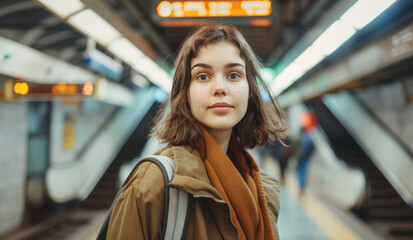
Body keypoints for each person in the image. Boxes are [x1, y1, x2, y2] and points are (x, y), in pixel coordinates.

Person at [106, 24, 288, 239]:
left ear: (250, 90)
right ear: (186, 93)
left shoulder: (261, 190)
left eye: (233, 75)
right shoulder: (153, 184)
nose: (220, 87)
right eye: (202, 76)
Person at [294, 113, 316, 197]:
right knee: (304, 171)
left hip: (300, 157)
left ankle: (300, 186)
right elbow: (313, 147)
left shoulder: (300, 137)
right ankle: (302, 187)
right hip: (306, 157)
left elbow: (295, 146)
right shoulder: (309, 137)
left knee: (300, 171)